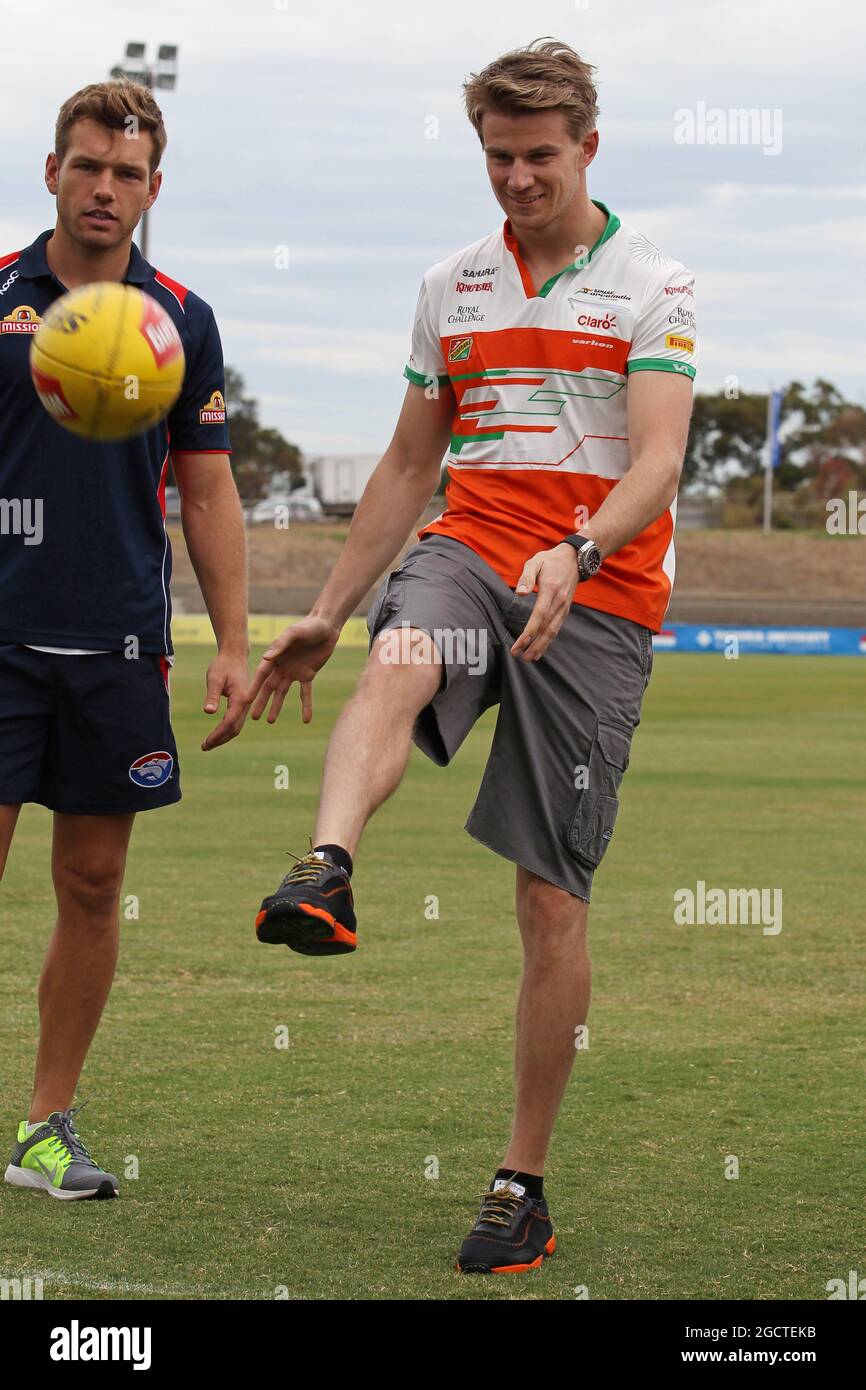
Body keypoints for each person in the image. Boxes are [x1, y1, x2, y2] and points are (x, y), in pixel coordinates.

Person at [245, 38, 698, 1273]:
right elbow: (404, 467)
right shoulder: (449, 284)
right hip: (472, 549)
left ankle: (519, 1184)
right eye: (497, 157)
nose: (516, 179)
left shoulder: (652, 284)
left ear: (587, 148)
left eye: (538, 157)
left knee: (549, 899)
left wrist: (582, 547)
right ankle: (326, 867)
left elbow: (657, 459)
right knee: (400, 649)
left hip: (595, 600)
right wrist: (330, 608)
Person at [0, 80, 248, 1200]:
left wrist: (232, 641)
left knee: (95, 883)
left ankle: (47, 1128)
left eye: (129, 172)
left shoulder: (180, 318)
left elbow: (207, 492)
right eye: (88, 165)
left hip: (116, 649)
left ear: (154, 189)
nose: (106, 188)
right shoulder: (0, 297)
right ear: (52, 171)